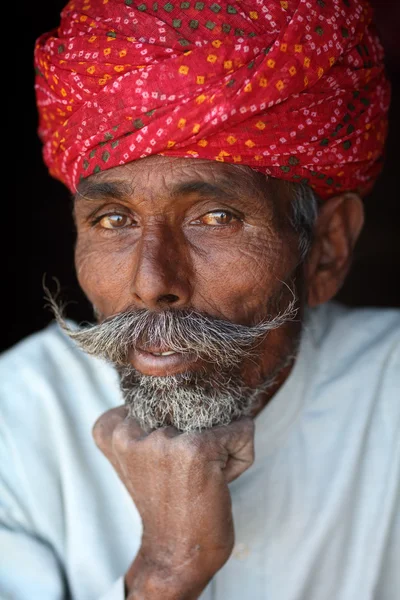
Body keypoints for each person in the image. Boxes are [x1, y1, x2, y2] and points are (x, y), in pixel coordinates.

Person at [1, 0, 398, 598]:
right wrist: (166, 572)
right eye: (113, 219)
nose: (153, 281)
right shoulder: (17, 415)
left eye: (215, 217)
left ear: (327, 250)